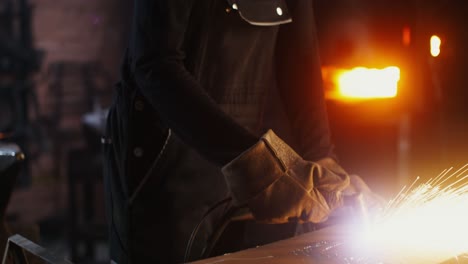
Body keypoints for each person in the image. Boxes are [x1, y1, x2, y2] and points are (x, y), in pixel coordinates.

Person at [103, 0, 379, 263]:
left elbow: (300, 59)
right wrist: (258, 164)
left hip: (236, 156)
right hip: (163, 158)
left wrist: (322, 159)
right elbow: (154, 65)